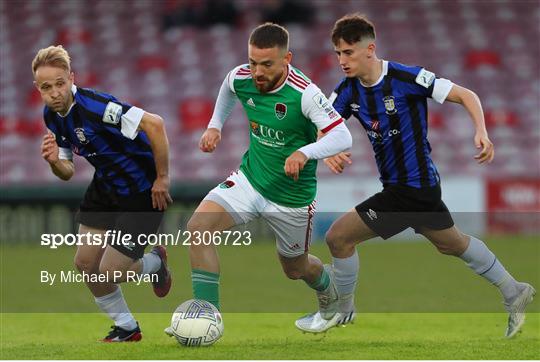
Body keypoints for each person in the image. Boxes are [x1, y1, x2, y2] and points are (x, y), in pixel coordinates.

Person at [295, 14, 535, 338]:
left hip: (411, 189)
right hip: (417, 189)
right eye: (338, 53)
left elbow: (466, 95)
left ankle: (342, 309)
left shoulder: (407, 77)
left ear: (370, 49)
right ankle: (513, 290)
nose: (342, 60)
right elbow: (324, 127)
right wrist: (330, 151)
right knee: (453, 244)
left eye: (348, 52)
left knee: (339, 237)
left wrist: (481, 130)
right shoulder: (348, 91)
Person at [185, 23, 352, 315]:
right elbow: (227, 88)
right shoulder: (242, 77)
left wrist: (304, 152)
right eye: (252, 62)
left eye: (266, 64)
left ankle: (328, 287)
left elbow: (342, 136)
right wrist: (214, 126)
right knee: (198, 229)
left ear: (287, 59)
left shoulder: (305, 93)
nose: (257, 72)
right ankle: (206, 316)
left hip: (291, 196)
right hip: (250, 179)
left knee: (295, 268)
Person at [34, 45, 173, 342]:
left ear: (72, 78)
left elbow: (155, 124)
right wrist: (54, 162)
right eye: (47, 87)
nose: (55, 92)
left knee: (109, 270)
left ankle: (155, 263)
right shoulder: (52, 117)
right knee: (85, 264)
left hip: (142, 191)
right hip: (105, 186)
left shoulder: (97, 108)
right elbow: (67, 172)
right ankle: (126, 327)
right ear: (39, 89)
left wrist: (162, 178)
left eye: (60, 83)